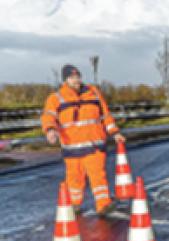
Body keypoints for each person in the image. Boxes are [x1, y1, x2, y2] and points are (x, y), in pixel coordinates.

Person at [41, 65, 124, 216]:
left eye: (77, 76)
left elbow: (105, 116)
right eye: (72, 77)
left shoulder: (94, 94)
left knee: (98, 176)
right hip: (72, 148)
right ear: (65, 80)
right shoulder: (56, 98)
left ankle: (103, 205)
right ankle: (74, 206)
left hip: (95, 145)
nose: (76, 80)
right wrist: (50, 130)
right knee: (74, 179)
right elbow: (48, 117)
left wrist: (115, 132)